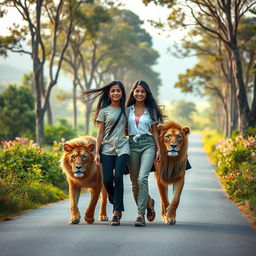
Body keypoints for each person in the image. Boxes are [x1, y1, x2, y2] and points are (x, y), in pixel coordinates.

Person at [81, 81, 129, 226]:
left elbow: (130, 128)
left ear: (122, 93)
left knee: (118, 177)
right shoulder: (104, 111)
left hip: (122, 148)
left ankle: (116, 212)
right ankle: (116, 200)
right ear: (108, 94)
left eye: (118, 91)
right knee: (107, 181)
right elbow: (100, 133)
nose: (116, 93)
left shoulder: (127, 111)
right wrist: (97, 153)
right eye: (113, 91)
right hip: (107, 149)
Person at [126, 80, 165, 227]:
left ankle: (140, 215)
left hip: (148, 144)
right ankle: (149, 202)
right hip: (131, 145)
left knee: (143, 178)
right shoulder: (127, 110)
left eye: (142, 91)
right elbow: (122, 129)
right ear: (133, 93)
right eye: (137, 91)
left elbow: (155, 131)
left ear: (146, 93)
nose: (140, 94)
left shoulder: (152, 110)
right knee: (135, 183)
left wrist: (159, 149)